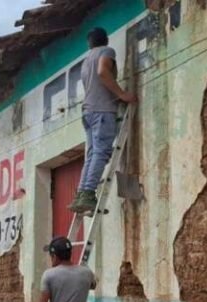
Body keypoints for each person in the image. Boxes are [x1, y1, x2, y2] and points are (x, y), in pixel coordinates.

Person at [69, 27, 137, 215]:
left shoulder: (85, 60)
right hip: (102, 111)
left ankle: (81, 194)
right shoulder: (106, 52)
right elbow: (102, 71)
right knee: (101, 153)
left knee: (91, 155)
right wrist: (122, 94)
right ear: (105, 40)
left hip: (88, 112)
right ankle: (88, 194)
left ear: (89, 43)